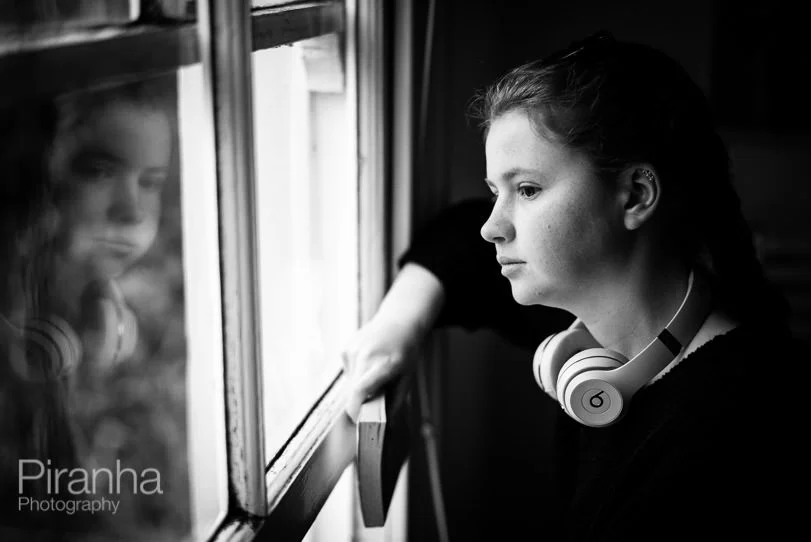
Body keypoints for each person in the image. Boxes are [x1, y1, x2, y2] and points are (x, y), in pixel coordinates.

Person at [343, 31, 805, 540]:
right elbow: (458, 241)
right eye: (497, 191)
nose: (492, 226)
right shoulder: (609, 317)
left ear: (635, 195)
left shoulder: (735, 431)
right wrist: (396, 327)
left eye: (527, 189)